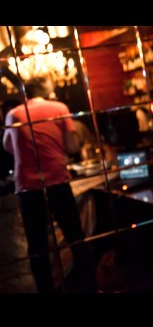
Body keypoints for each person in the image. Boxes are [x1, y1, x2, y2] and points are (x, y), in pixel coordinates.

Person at [2, 75, 96, 292]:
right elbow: (72, 146)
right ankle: (88, 286)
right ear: (46, 90)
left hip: (27, 185)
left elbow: (8, 146)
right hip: (56, 179)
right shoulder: (59, 108)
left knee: (38, 246)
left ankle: (46, 289)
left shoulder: (13, 114)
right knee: (75, 237)